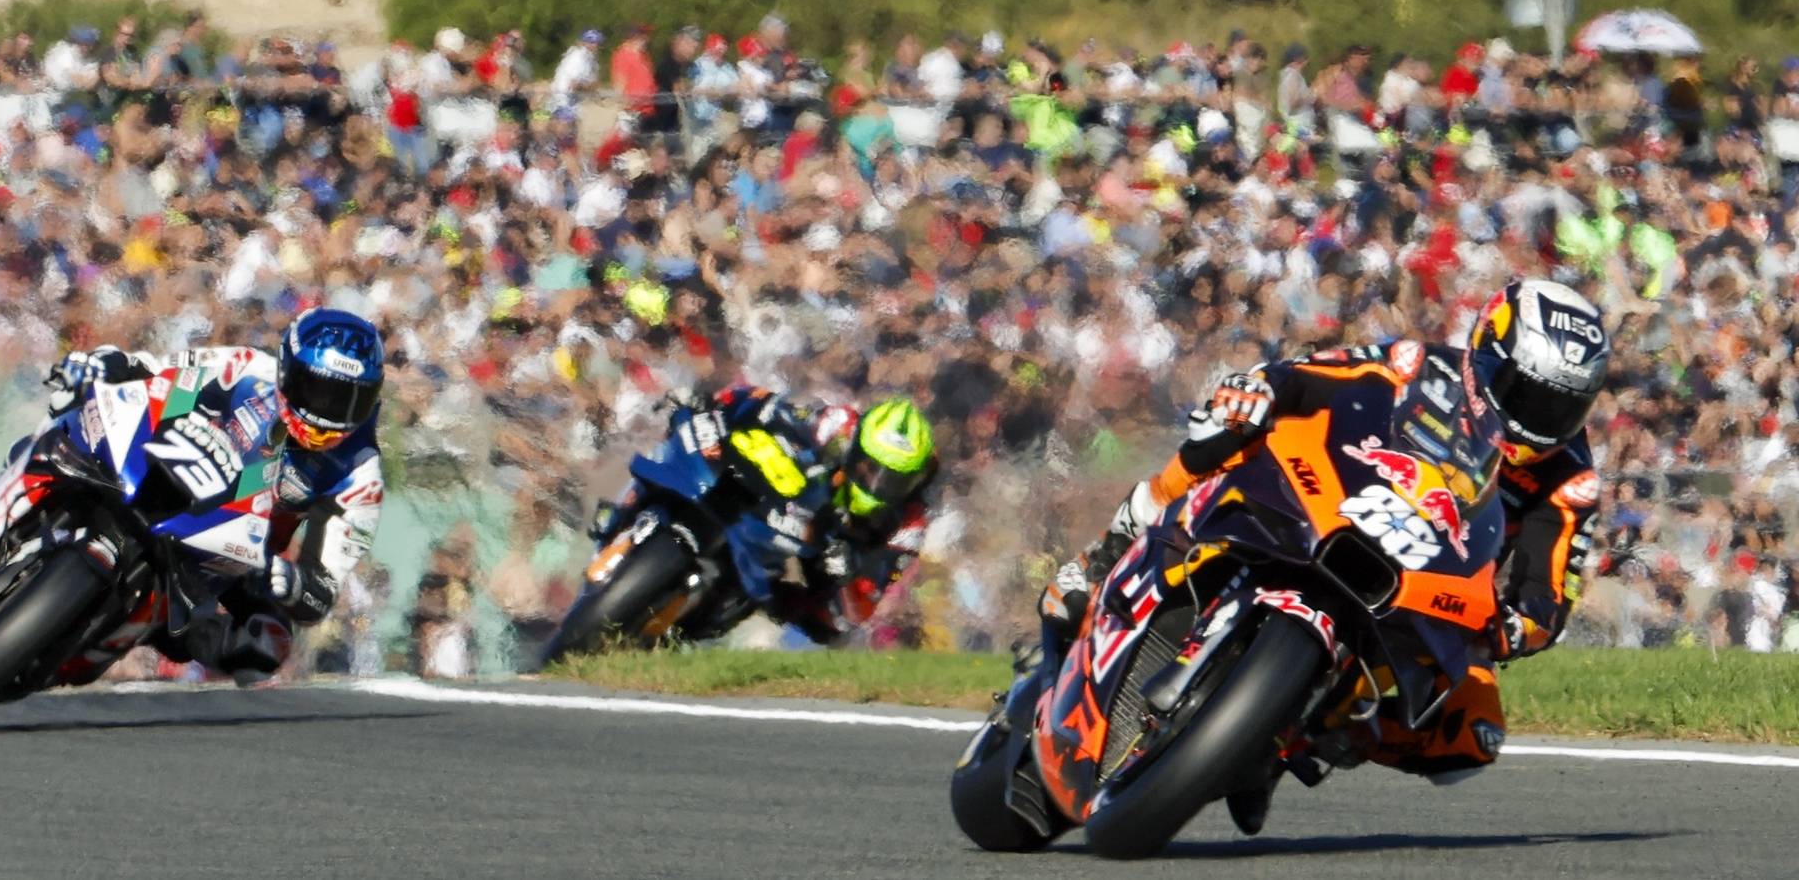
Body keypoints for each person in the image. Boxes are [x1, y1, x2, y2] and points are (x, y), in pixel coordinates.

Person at [1040, 278, 1610, 832]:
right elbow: (1314, 376)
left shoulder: (1570, 480)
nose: (1538, 420)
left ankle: (1313, 735)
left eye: (1560, 407)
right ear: (1486, 353)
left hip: (1420, 588)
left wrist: (1518, 626)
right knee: (1229, 428)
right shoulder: (1416, 364)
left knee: (1475, 730)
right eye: (1526, 393)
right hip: (1331, 508)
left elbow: (1548, 593)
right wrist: (1263, 390)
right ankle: (1112, 546)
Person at [0, 308, 388, 685]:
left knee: (266, 648)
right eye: (320, 390)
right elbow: (151, 369)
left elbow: (322, 586)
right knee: (67, 413)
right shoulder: (245, 368)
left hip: (229, 557)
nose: (329, 413)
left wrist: (291, 583)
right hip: (162, 471)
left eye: (350, 399)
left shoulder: (360, 473)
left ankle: (139, 637)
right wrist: (101, 365)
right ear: (288, 370)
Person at [593, 389, 938, 645]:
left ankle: (683, 628)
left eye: (895, 480)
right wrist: (716, 404)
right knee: (685, 437)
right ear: (857, 448)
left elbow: (861, 607)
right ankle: (624, 510)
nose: (878, 485)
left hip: (814, 558)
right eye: (870, 468)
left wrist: (848, 576)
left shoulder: (910, 524)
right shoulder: (837, 425)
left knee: (829, 628)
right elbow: (767, 405)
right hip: (774, 505)